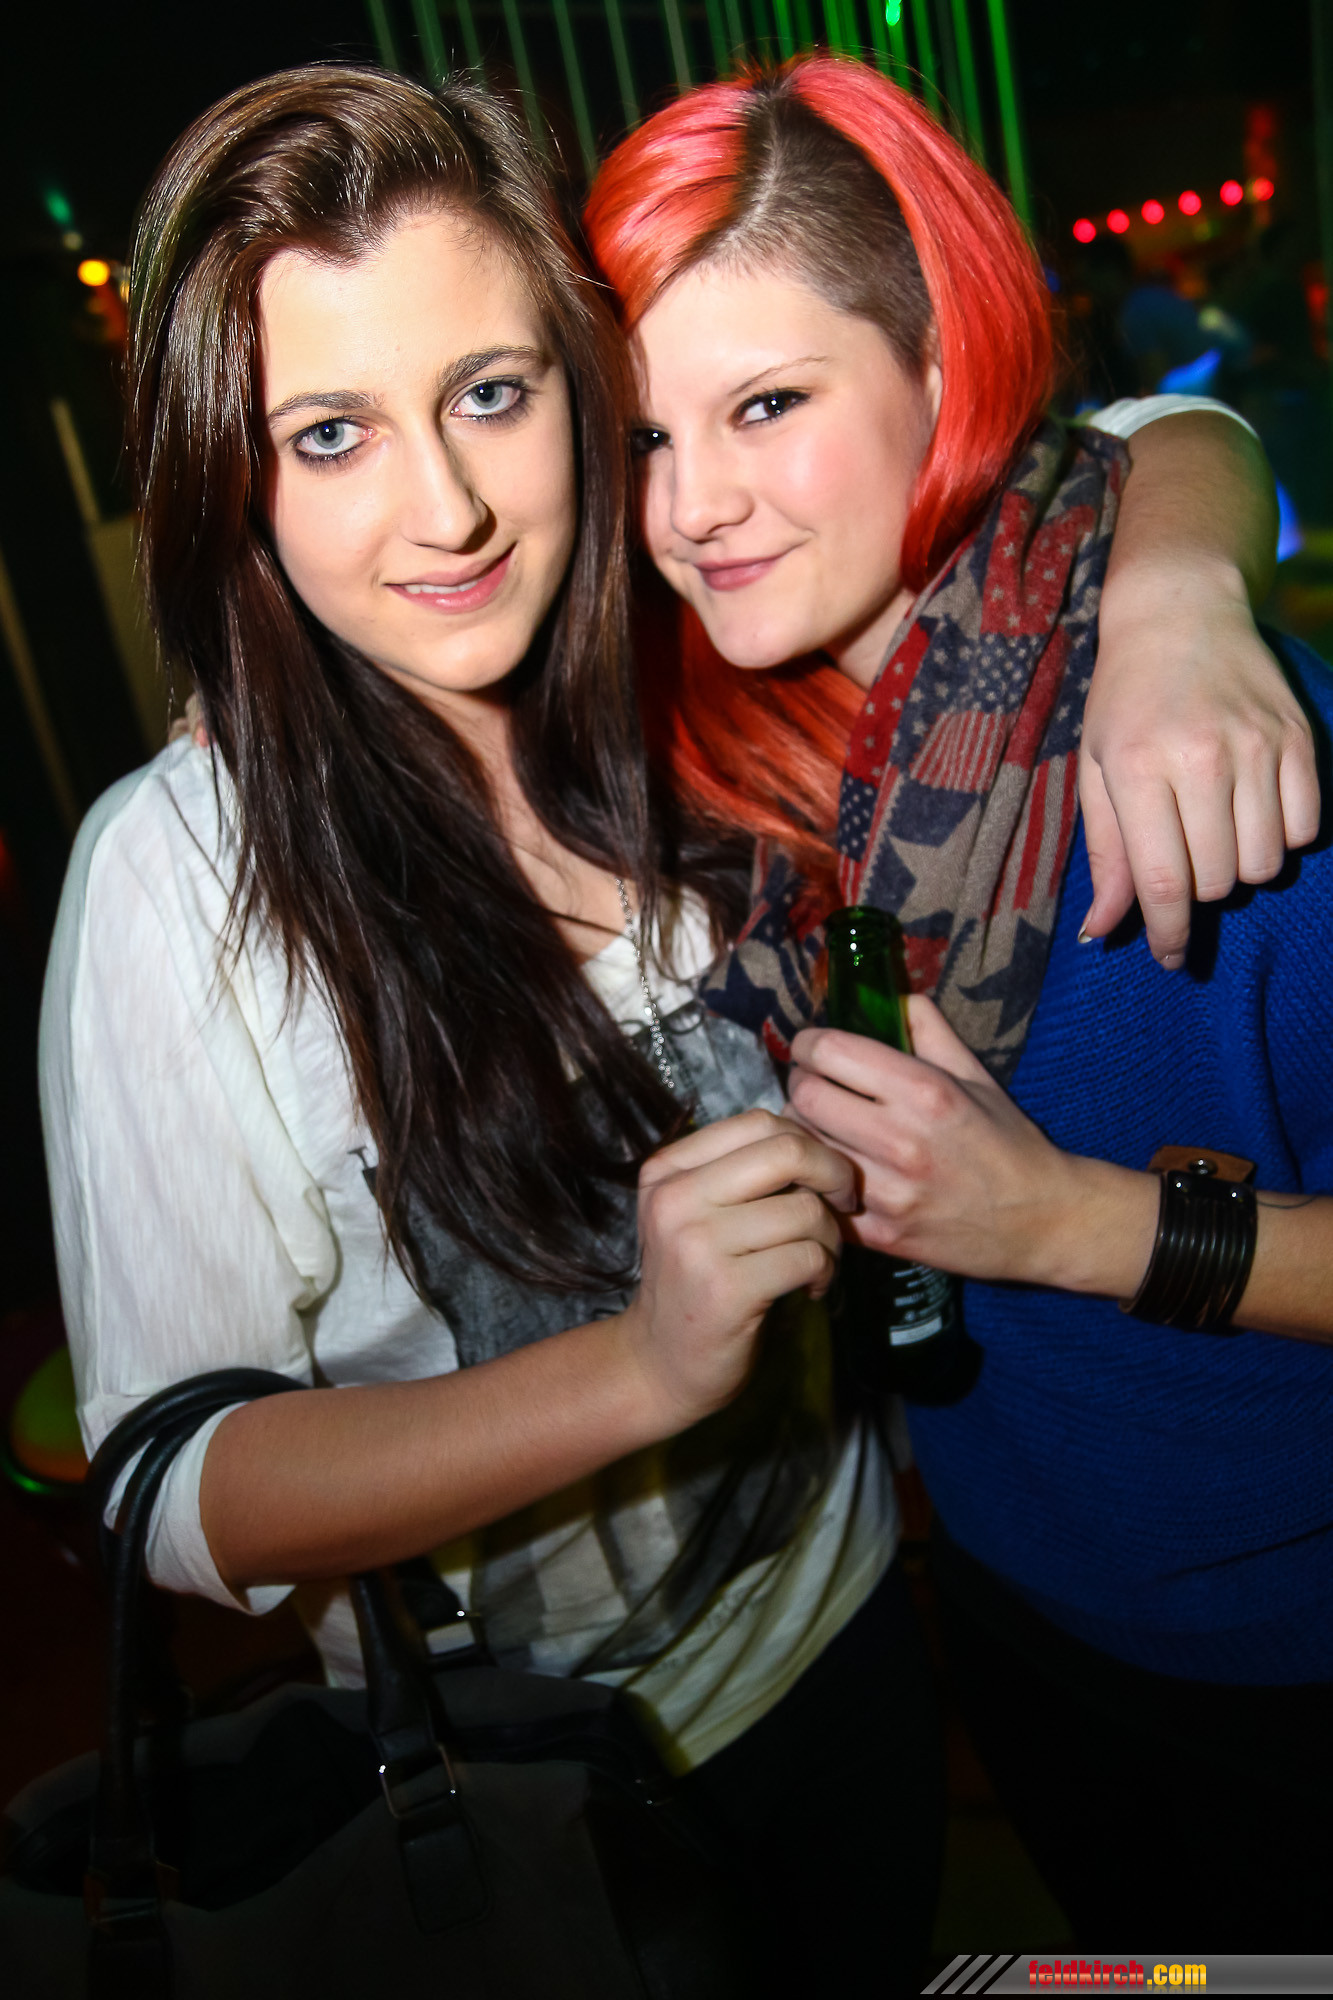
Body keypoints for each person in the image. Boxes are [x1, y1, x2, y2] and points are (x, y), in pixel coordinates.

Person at [40, 62, 1316, 1997]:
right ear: (233, 473)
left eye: (490, 394)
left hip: (886, 1632)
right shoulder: (194, 871)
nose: (448, 508)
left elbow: (1111, 439)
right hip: (555, 1770)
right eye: (329, 434)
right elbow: (163, 1483)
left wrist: (1176, 592)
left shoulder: (678, 689)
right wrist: (639, 1369)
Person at [585, 56, 1333, 1949]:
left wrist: (1067, 1224)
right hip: (1001, 1607)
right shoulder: (728, 779)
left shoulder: (1220, 759)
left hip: (1285, 1653)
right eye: (643, 436)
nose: (693, 507)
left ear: (942, 363)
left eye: (766, 404)